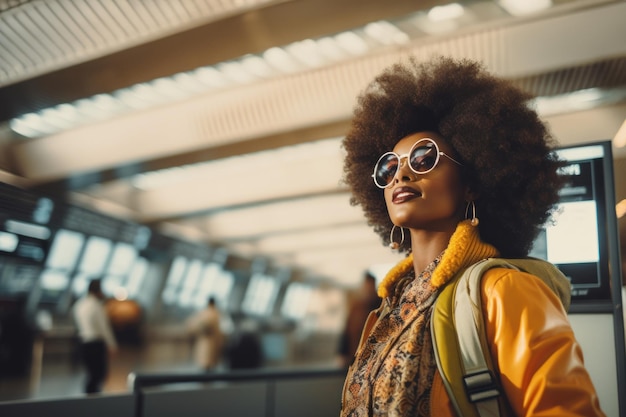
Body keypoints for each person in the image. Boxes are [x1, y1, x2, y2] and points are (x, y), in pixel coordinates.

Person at [339, 56, 606, 416]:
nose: (401, 175)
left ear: (471, 185)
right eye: (390, 166)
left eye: (423, 158)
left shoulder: (504, 292)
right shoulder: (387, 309)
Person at [72, 279, 118, 394]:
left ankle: (89, 396)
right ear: (97, 290)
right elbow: (104, 327)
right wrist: (112, 344)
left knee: (90, 373)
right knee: (98, 374)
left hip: (83, 341)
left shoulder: (79, 304)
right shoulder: (96, 306)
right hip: (96, 344)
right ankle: (93, 397)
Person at [337, 272, 381, 368]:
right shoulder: (356, 307)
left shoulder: (380, 306)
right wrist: (342, 352)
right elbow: (347, 330)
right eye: (366, 286)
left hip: (374, 357)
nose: (368, 289)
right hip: (354, 356)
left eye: (370, 286)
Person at [187, 297, 223, 370]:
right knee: (208, 361)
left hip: (207, 340)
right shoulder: (216, 313)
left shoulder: (205, 312)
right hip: (210, 341)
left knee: (206, 361)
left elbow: (194, 324)